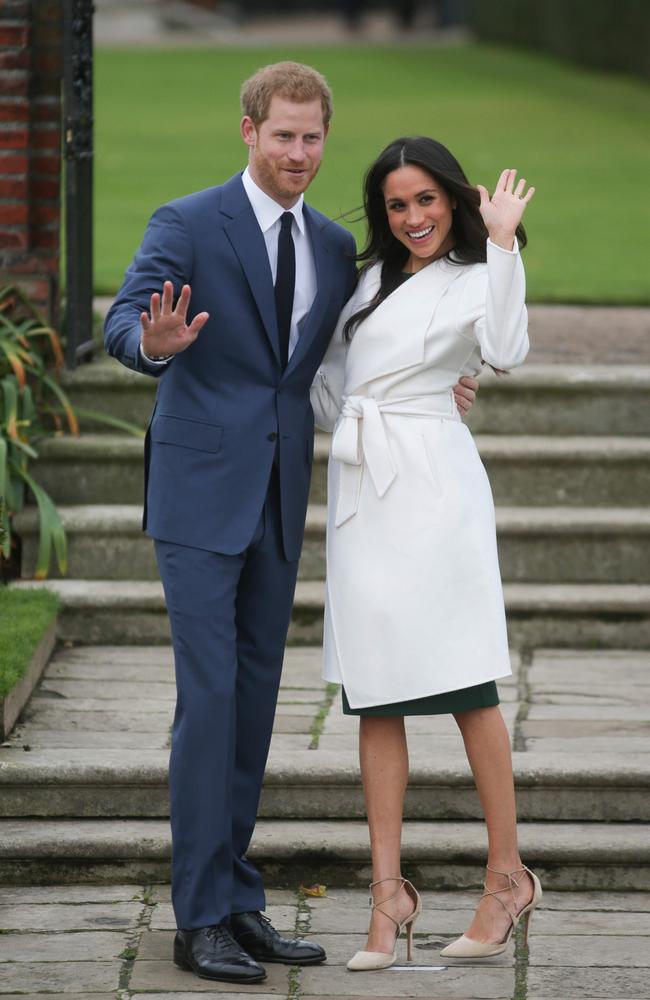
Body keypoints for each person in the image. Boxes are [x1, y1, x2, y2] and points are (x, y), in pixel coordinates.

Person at [104, 63, 479, 985]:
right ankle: (199, 916)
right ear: (248, 131)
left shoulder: (328, 245)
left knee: (256, 705)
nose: (300, 154)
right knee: (210, 702)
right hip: (196, 498)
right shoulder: (186, 222)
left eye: (313, 138)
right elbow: (121, 324)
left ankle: (236, 899)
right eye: (283, 136)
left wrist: (431, 390)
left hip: (278, 497)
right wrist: (152, 346)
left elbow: (332, 376)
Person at [310, 137, 543, 971]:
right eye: (398, 204)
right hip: (365, 488)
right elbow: (332, 384)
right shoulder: (367, 283)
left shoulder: (481, 276)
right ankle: (386, 899)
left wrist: (506, 242)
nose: (413, 218)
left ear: (456, 202)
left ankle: (507, 876)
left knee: (466, 685)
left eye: (427, 202)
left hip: (436, 491)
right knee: (375, 694)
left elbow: (508, 349)